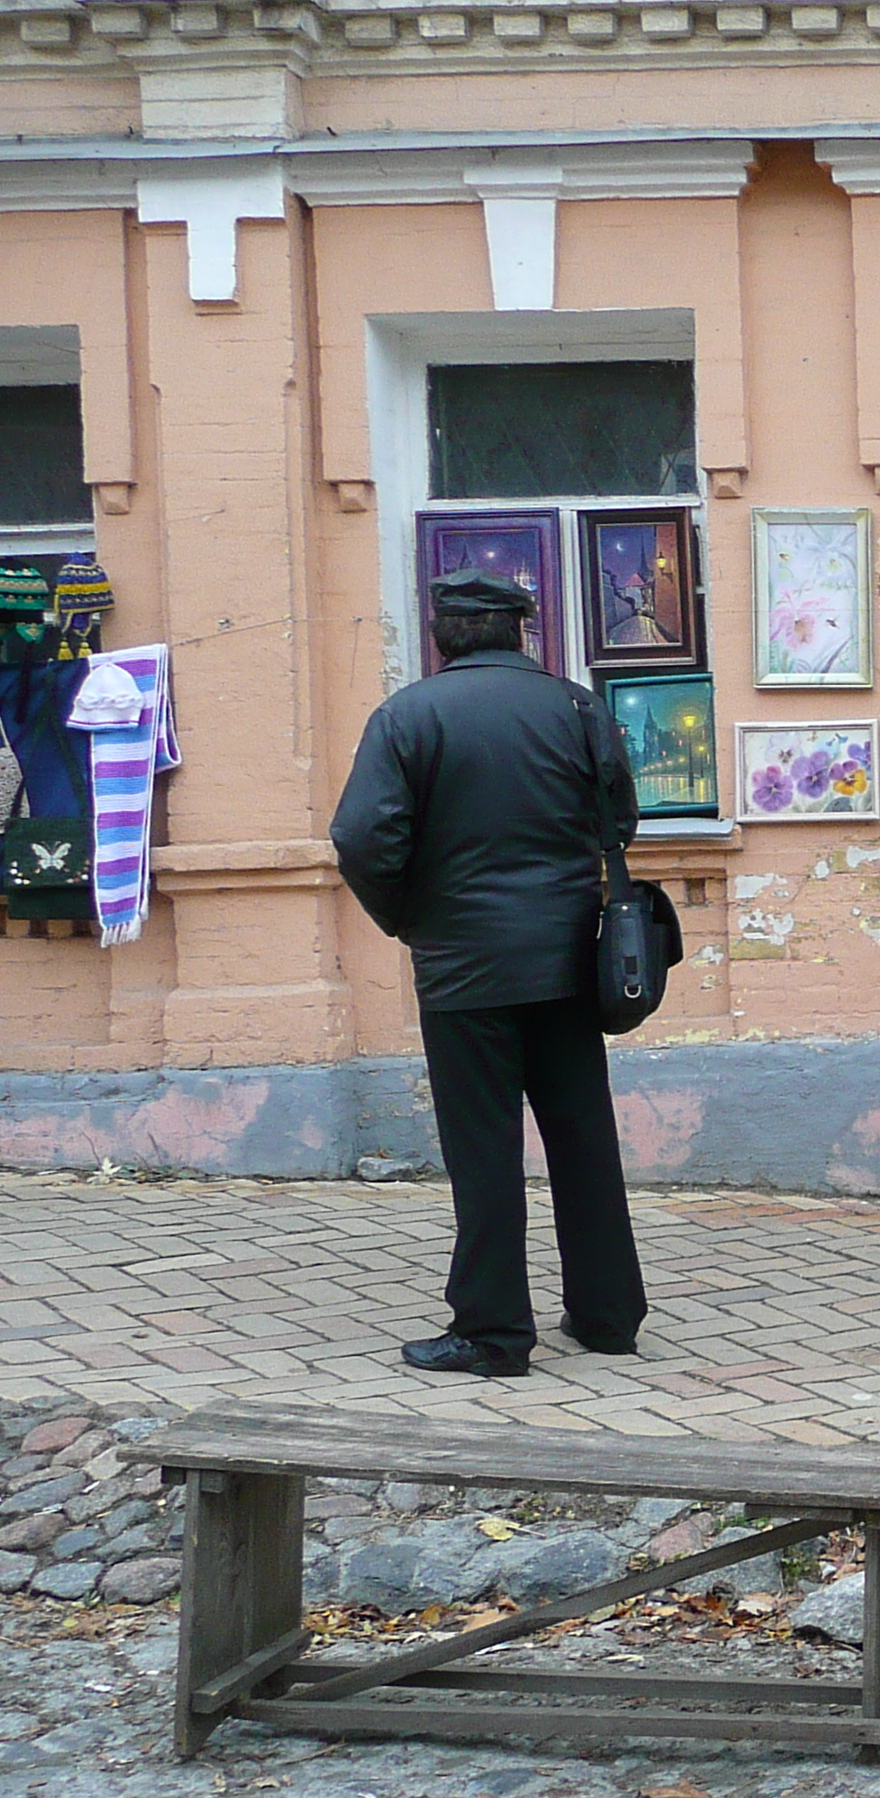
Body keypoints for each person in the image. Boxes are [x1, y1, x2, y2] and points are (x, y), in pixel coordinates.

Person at [328, 570, 646, 1377]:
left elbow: (364, 838)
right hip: (571, 961)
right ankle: (608, 1317)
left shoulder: (408, 716)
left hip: (464, 968)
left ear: (442, 636)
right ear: (519, 632)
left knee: (485, 1152)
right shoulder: (576, 707)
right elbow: (623, 820)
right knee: (583, 1139)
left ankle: (496, 1335)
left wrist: (407, 915)